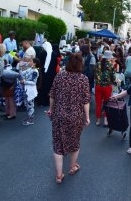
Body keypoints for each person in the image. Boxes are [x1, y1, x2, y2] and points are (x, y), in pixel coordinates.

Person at [46, 53, 90, 184]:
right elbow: (85, 101)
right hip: (76, 116)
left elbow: (52, 95)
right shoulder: (83, 79)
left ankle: (59, 175)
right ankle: (72, 167)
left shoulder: (60, 76)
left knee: (58, 145)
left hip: (59, 115)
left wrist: (51, 109)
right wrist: (87, 117)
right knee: (75, 142)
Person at [94, 50, 115, 126]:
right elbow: (113, 77)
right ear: (109, 58)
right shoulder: (111, 65)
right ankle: (106, 121)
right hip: (107, 87)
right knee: (107, 103)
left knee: (98, 104)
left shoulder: (97, 64)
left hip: (98, 86)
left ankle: (98, 121)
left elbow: (95, 75)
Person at [19, 58, 40, 126]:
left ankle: (30, 120)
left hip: (30, 90)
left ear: (34, 63)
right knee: (27, 105)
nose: (29, 62)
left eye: (31, 61)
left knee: (30, 105)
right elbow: (22, 73)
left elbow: (34, 82)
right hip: (26, 89)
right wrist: (20, 67)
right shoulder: (30, 68)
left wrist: (24, 81)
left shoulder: (35, 71)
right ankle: (29, 117)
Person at [37, 41, 57, 106]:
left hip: (43, 73)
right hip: (51, 74)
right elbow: (55, 64)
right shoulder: (54, 54)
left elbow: (38, 63)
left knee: (42, 86)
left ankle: (41, 101)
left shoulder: (42, 53)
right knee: (49, 87)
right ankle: (48, 101)